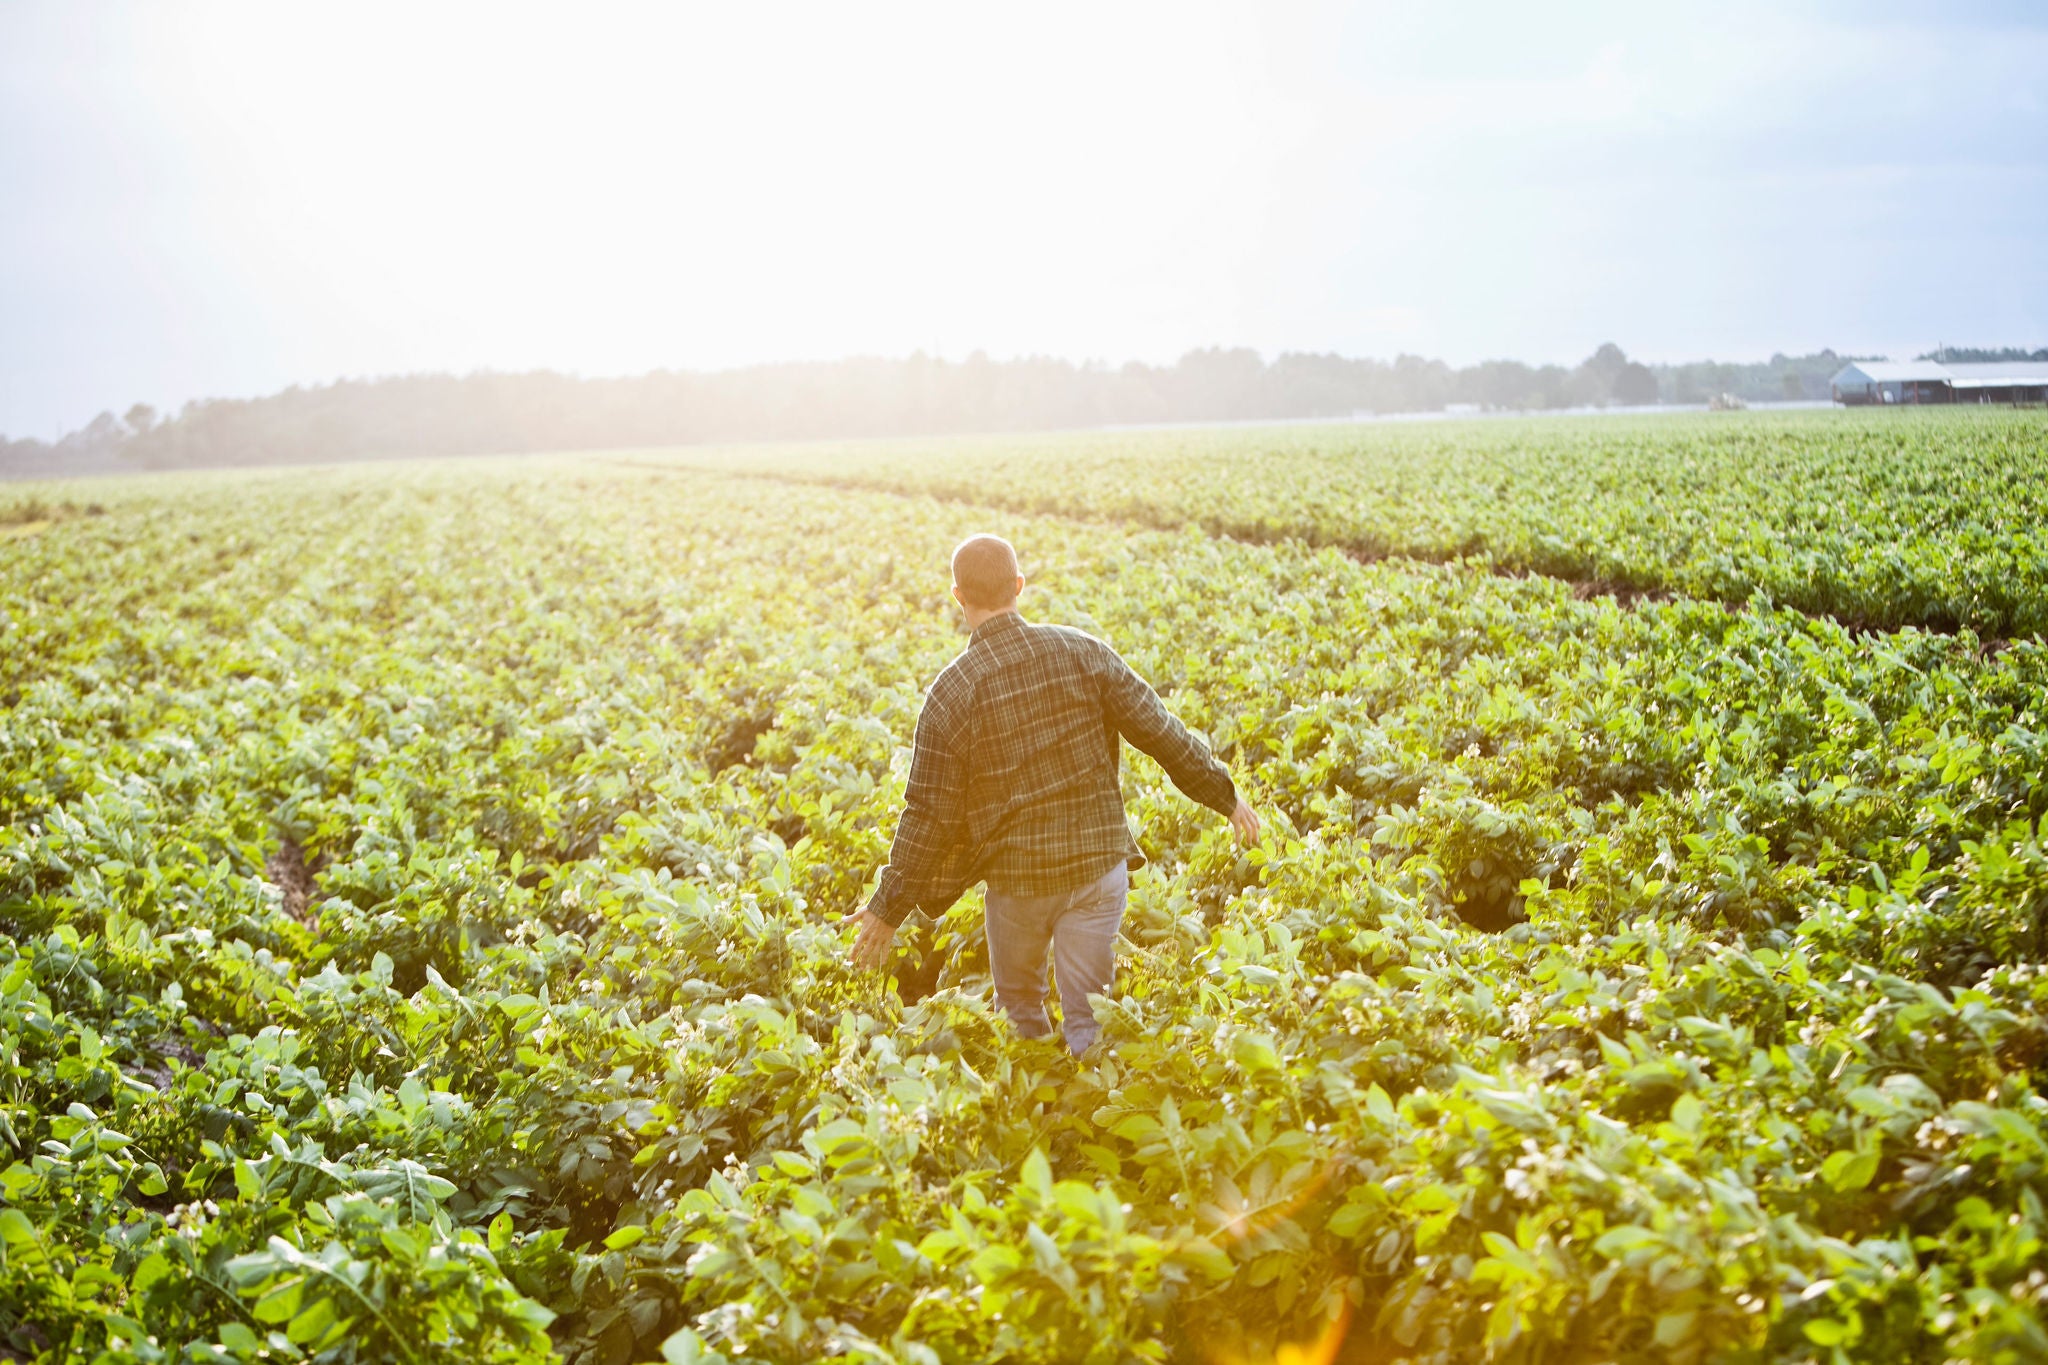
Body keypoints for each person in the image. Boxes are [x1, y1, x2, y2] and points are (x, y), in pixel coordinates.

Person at [847, 533, 1260, 1054]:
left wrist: (887, 909)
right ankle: (1094, 1107)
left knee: (1019, 1011)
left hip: (1020, 883)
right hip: (1096, 868)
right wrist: (1224, 795)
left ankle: (1040, 1119)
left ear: (958, 597)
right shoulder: (1082, 651)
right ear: (1019, 585)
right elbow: (1160, 730)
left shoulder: (953, 692)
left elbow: (929, 814)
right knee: (1091, 1016)